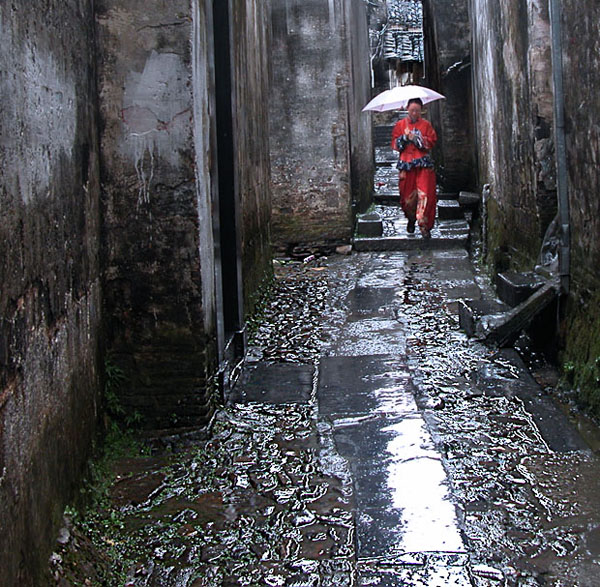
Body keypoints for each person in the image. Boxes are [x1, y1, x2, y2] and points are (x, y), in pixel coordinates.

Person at [390, 98, 438, 238]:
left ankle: (424, 225)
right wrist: (404, 138)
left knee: (426, 194)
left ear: (421, 111)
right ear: (407, 109)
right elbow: (394, 144)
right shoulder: (400, 125)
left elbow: (432, 141)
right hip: (406, 164)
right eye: (412, 110)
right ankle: (411, 218)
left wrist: (419, 139)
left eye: (417, 110)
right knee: (407, 197)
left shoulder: (426, 125)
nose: (415, 113)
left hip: (423, 164)